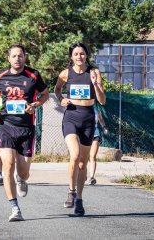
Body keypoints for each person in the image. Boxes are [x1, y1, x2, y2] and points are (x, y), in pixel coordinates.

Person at [0, 44, 49, 222]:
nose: (17, 59)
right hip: (6, 125)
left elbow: (45, 94)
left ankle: (21, 179)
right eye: (14, 56)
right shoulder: (1, 76)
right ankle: (14, 208)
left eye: (20, 56)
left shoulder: (33, 75)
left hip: (26, 128)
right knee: (7, 165)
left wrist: (35, 104)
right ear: (9, 58)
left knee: (24, 172)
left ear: (25, 57)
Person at [54, 42, 106, 216]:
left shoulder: (94, 72)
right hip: (71, 117)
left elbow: (102, 100)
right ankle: (71, 191)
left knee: (83, 164)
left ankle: (79, 199)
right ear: (71, 56)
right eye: (76, 54)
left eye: (82, 54)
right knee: (74, 155)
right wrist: (61, 99)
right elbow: (57, 89)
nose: (79, 57)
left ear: (87, 55)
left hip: (88, 119)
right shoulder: (65, 73)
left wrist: (96, 84)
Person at [85, 107, 108, 186]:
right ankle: (83, 174)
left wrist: (104, 127)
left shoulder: (96, 110)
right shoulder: (80, 108)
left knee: (92, 156)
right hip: (84, 135)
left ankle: (91, 177)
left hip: (95, 134)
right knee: (83, 157)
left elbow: (101, 119)